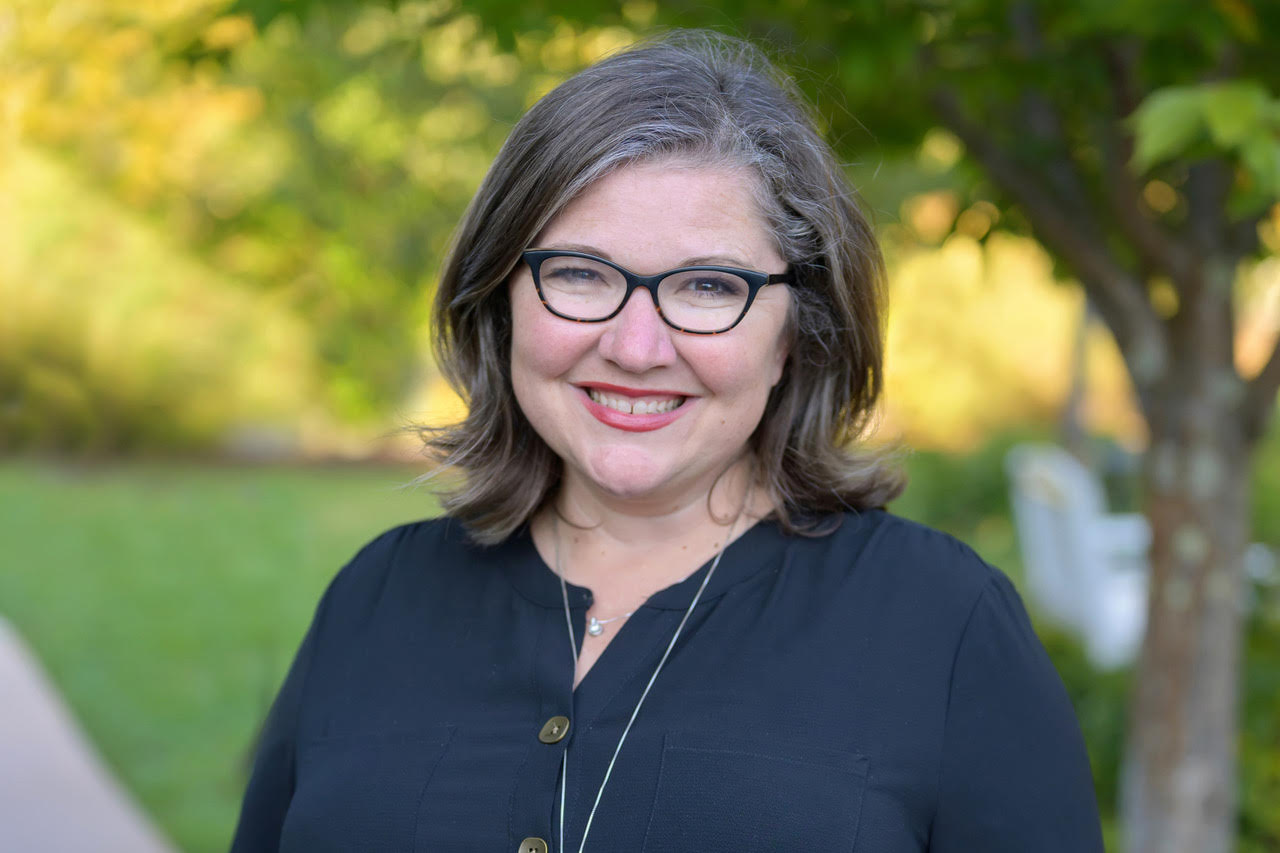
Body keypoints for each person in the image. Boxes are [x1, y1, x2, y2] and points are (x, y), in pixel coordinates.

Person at [230, 30, 1103, 853]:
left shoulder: (941, 626)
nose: (637, 347)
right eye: (578, 273)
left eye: (707, 286)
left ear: (797, 329)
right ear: (502, 297)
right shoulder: (378, 600)